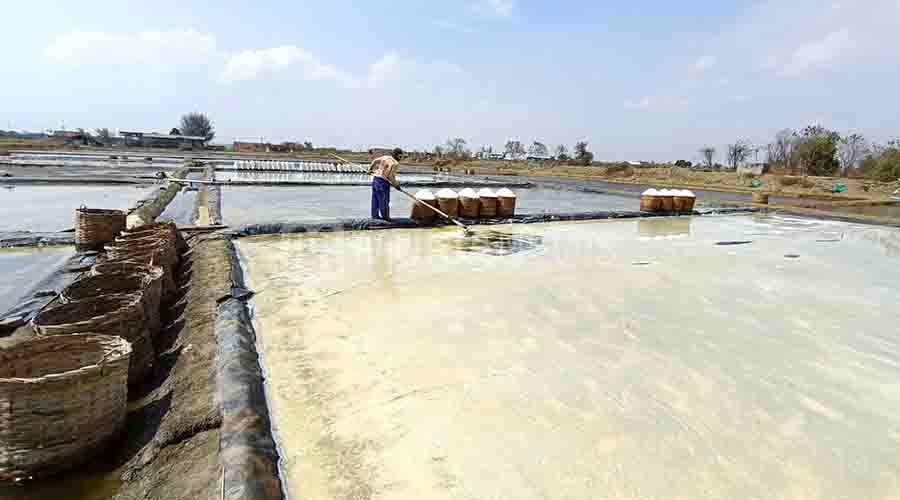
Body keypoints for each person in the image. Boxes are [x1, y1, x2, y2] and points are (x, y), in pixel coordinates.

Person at [368, 148, 403, 221]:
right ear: (396, 155)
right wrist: (396, 185)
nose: (400, 158)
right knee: (384, 200)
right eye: (400, 156)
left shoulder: (385, 157)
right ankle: (386, 218)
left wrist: (370, 169)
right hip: (383, 182)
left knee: (375, 199)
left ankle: (375, 216)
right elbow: (390, 176)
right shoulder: (395, 163)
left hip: (375, 180)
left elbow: (374, 161)